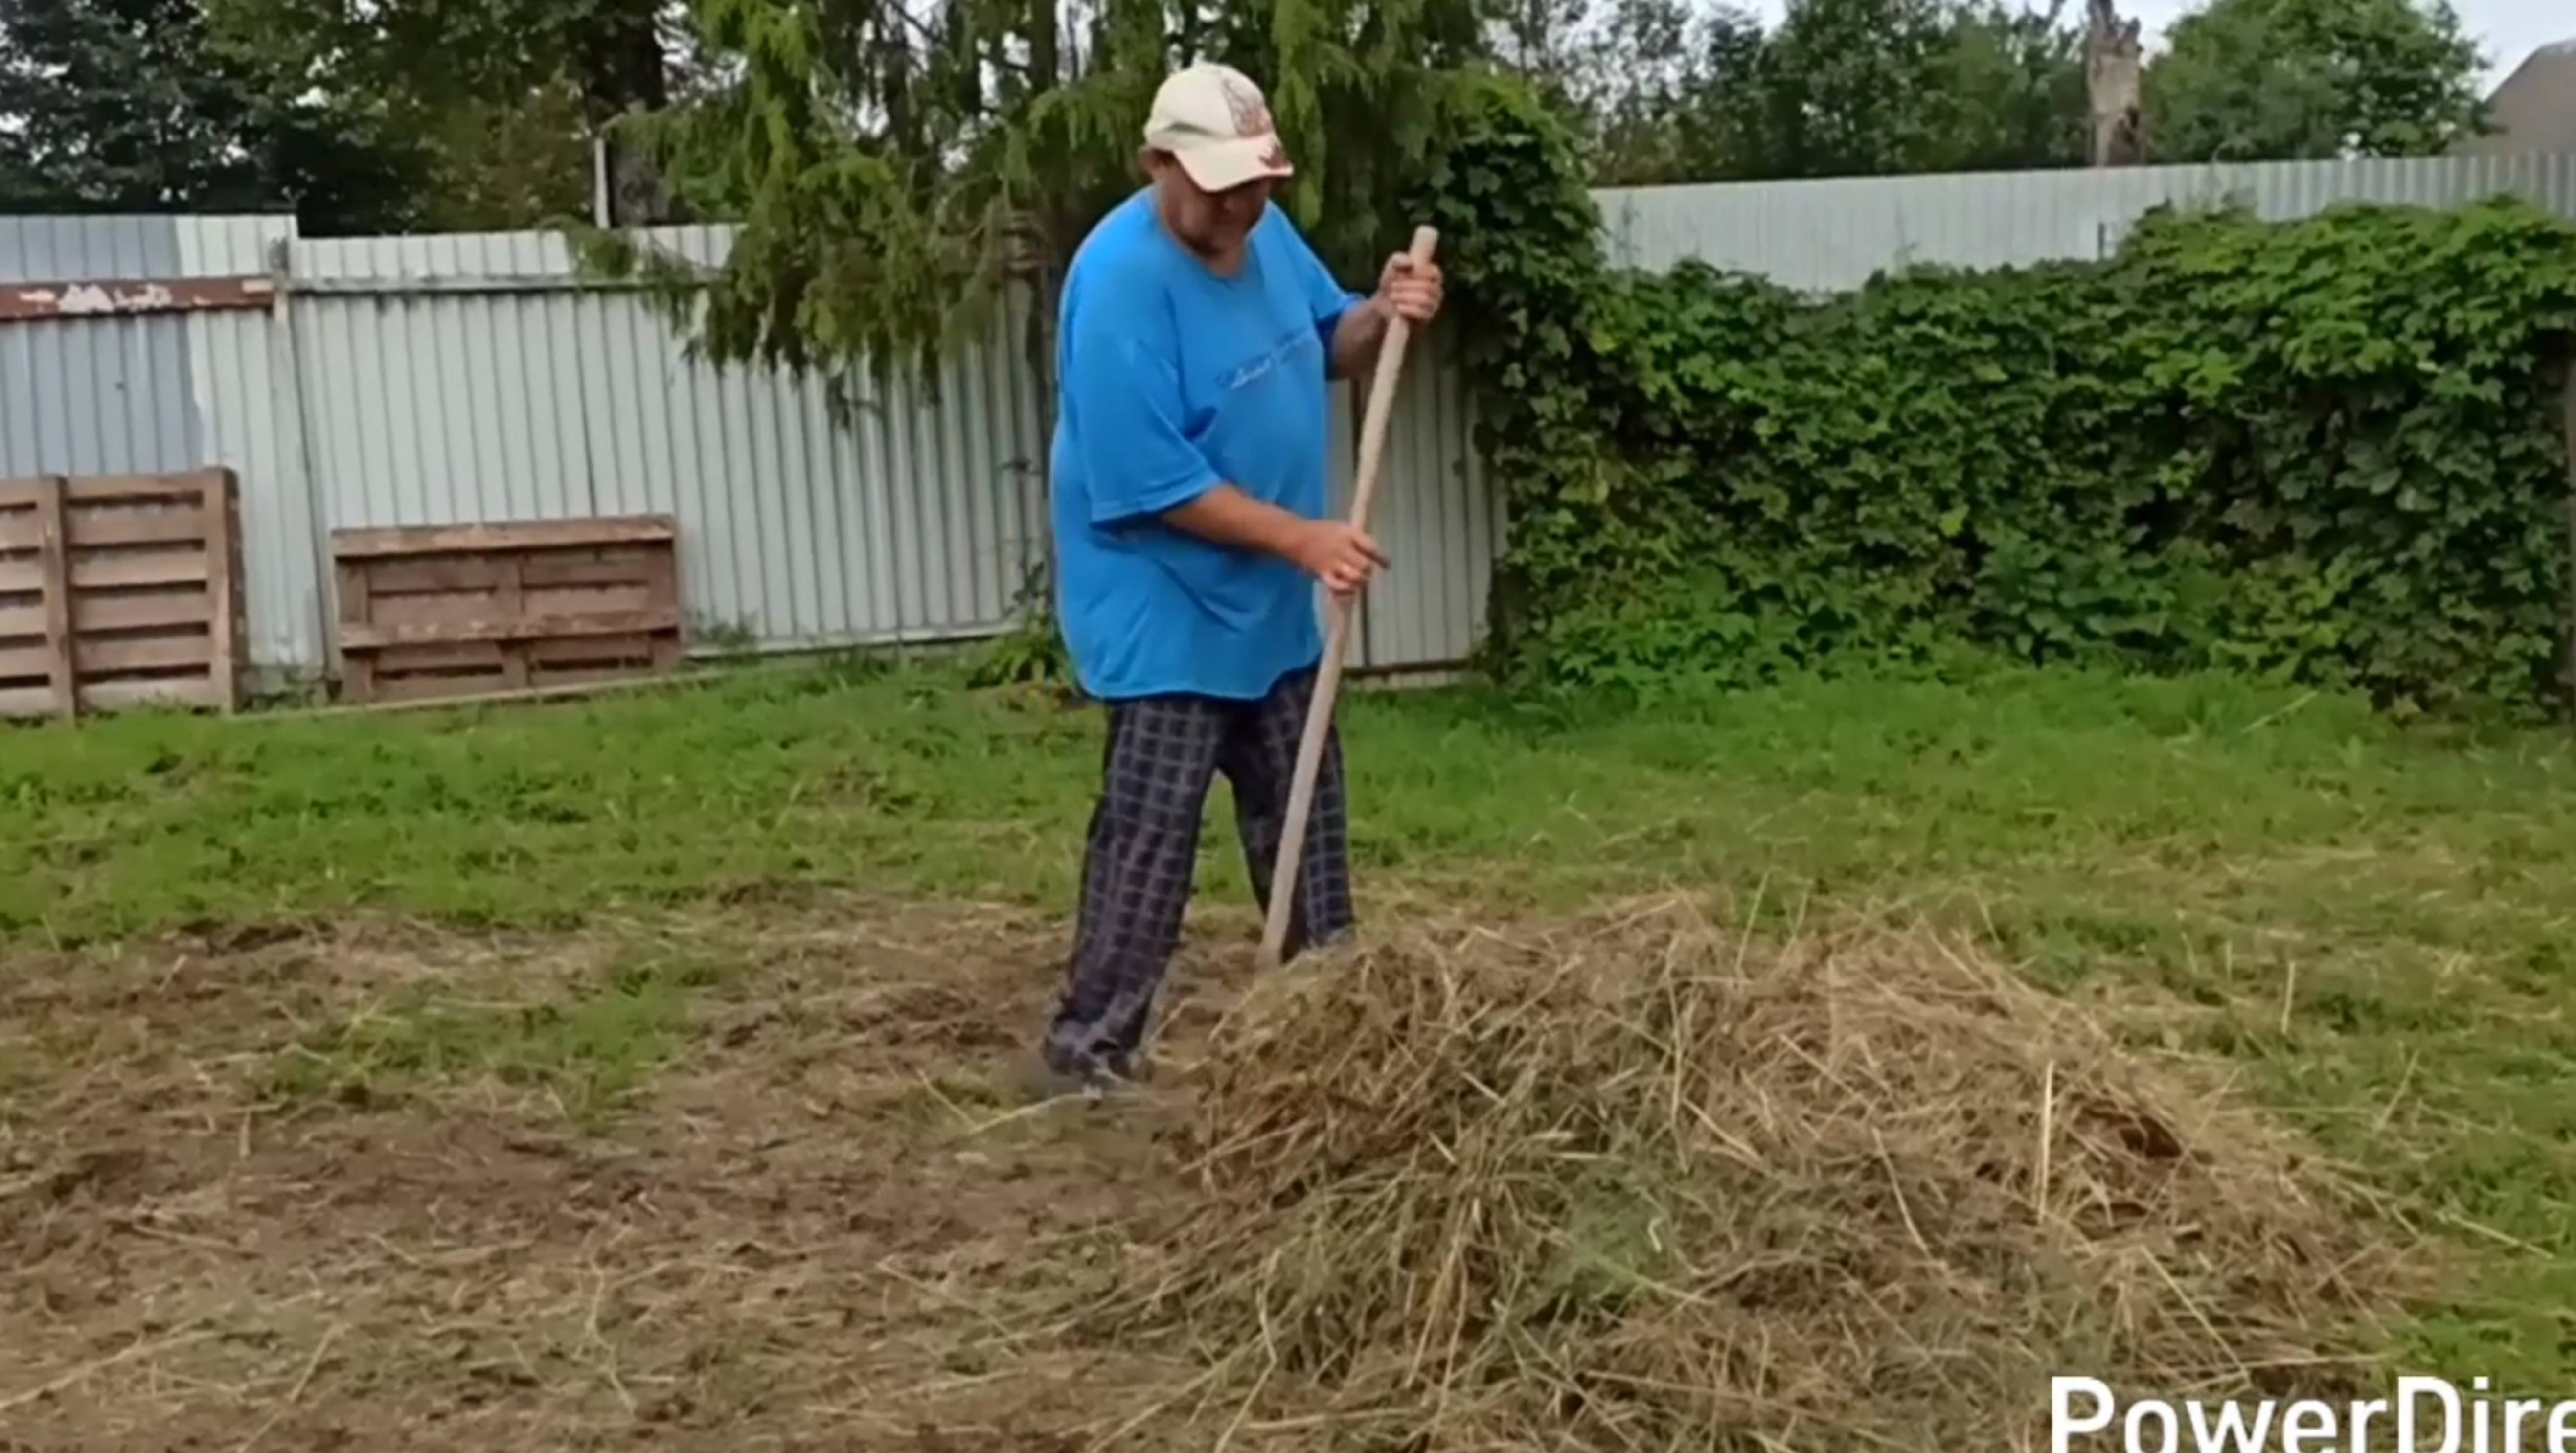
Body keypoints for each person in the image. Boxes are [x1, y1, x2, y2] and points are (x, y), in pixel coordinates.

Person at [1027, 60, 1444, 1095]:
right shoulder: (1118, 284)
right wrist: (1304, 541)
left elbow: (1325, 339)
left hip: (1266, 606)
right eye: (1218, 184)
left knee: (1308, 825)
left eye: (1257, 182)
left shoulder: (1260, 232)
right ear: (1156, 165)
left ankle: (1330, 1028)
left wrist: (1384, 313)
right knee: (1151, 838)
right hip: (1162, 609)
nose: (1241, 203)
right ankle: (1089, 1054)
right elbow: (1149, 484)